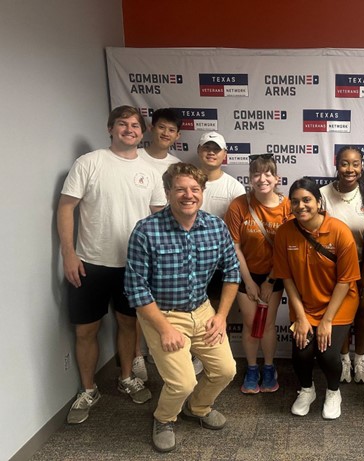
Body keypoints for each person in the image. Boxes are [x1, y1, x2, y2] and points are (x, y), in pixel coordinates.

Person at [57, 105, 167, 424]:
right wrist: (68, 253)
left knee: (129, 324)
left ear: (142, 132)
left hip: (133, 266)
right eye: (122, 124)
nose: (129, 129)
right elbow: (66, 208)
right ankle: (88, 389)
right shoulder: (89, 163)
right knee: (86, 330)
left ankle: (126, 378)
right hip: (89, 263)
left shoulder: (152, 172)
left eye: (135, 125)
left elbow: (158, 219)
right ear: (110, 128)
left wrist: (155, 262)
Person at [124, 162, 241, 453]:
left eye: (194, 189)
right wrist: (164, 328)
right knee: (182, 382)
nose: (188, 195)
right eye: (180, 189)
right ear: (168, 192)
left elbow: (232, 273)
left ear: (202, 192)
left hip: (202, 311)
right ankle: (164, 418)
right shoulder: (146, 230)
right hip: (161, 313)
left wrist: (222, 316)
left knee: (226, 370)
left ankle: (198, 408)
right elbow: (135, 288)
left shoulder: (215, 227)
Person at [273, 178, 361, 420]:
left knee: (327, 352)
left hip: (339, 302)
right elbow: (287, 278)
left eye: (307, 200)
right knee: (301, 350)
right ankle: (307, 389)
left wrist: (327, 321)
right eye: (295, 201)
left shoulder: (339, 231)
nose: (301, 206)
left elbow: (345, 281)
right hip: (305, 303)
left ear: (319, 202)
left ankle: (333, 392)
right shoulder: (285, 232)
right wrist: (301, 317)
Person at [225, 154, 292, 394]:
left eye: (267, 174)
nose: (262, 179)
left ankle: (269, 367)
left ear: (276, 178)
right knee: (250, 323)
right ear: (250, 178)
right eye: (256, 174)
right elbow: (234, 246)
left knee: (268, 325)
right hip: (246, 274)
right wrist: (249, 282)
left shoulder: (287, 206)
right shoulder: (239, 205)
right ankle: (252, 368)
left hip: (274, 274)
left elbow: (287, 248)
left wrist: (271, 280)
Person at [320, 146, 364, 384]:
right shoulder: (322, 194)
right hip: (333, 268)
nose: (350, 169)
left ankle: (360, 359)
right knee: (341, 316)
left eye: (355, 163)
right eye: (345, 163)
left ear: (361, 166)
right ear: (337, 164)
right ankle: (343, 359)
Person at [132, 108, 183, 381]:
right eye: (161, 127)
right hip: (136, 244)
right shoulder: (133, 157)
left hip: (165, 247)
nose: (165, 133)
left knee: (160, 302)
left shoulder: (175, 166)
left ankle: (162, 352)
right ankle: (137, 355)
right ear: (152, 128)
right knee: (138, 303)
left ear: (178, 135)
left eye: (171, 130)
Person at [194, 131, 245, 374]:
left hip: (218, 261)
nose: (211, 152)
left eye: (216, 149)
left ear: (224, 155)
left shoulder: (234, 186)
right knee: (189, 309)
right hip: (187, 260)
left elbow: (239, 229)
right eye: (207, 147)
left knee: (213, 308)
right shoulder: (188, 181)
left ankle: (211, 352)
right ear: (199, 151)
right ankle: (194, 354)